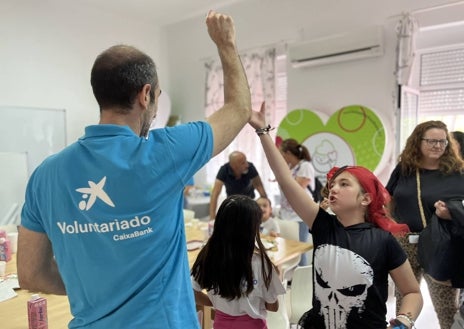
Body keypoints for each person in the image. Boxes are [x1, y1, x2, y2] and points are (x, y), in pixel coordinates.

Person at [17, 11, 252, 329]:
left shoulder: (45, 175)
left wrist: (95, 291)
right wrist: (226, 44)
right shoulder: (166, 152)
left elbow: (31, 274)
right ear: (145, 95)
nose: (155, 111)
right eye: (156, 98)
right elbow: (238, 109)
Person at [249, 102, 423, 329]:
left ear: (365, 198)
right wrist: (263, 132)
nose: (333, 189)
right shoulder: (322, 224)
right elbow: (285, 179)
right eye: (332, 185)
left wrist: (404, 320)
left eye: (344, 184)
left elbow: (411, 291)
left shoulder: (383, 241)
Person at [386, 120, 464, 329]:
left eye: (442, 142)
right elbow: (388, 198)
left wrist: (451, 214)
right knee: (404, 303)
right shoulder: (405, 169)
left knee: (446, 307)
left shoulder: (458, 171)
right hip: (405, 243)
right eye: (431, 141)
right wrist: (391, 225)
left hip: (442, 244)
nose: (437, 146)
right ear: (418, 142)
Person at [191, 195, 286, 329]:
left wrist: (217, 303)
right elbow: (273, 306)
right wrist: (276, 277)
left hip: (220, 324)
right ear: (251, 229)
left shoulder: (209, 255)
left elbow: (192, 291)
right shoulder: (260, 262)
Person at [278, 138, 315, 266]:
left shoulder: (305, 166)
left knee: (299, 248)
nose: (281, 156)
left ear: (288, 153)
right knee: (287, 247)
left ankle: (301, 280)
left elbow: (297, 188)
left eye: (281, 153)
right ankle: (289, 278)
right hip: (287, 214)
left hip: (300, 215)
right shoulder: (290, 168)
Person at [209, 151, 267, 219]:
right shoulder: (224, 170)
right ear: (234, 166)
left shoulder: (250, 167)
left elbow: (259, 186)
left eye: (246, 161)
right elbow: (215, 194)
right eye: (243, 163)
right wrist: (212, 217)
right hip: (233, 204)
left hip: (249, 203)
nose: (247, 165)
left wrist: (267, 206)